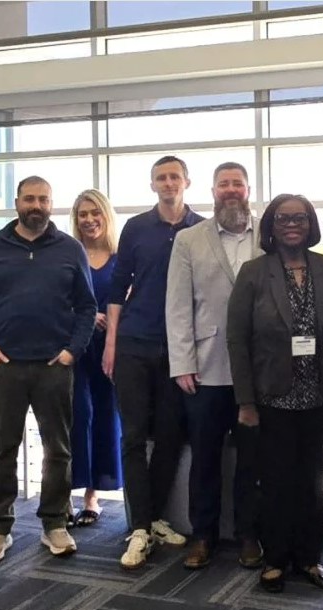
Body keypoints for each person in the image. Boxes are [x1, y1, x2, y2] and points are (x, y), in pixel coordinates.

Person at [0, 176, 98, 563]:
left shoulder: (70, 249)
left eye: (43, 199)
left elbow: (87, 306)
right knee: (3, 449)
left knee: (59, 449)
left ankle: (54, 523)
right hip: (5, 367)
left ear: (51, 204)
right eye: (29, 199)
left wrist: (73, 351)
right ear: (17, 202)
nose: (36, 205)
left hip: (55, 366)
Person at [228, 194, 323, 593]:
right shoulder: (253, 272)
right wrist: (246, 401)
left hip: (318, 394)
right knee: (276, 481)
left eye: (300, 218)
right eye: (283, 218)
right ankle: (276, 559)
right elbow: (237, 340)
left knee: (312, 481)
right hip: (271, 397)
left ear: (311, 224)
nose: (292, 224)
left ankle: (310, 559)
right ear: (271, 227)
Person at [105, 155, 200, 569]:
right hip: (134, 343)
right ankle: (139, 526)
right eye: (161, 177)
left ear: (186, 182)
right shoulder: (135, 228)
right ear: (152, 185)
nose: (168, 183)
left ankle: (155, 517)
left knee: (169, 437)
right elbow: (116, 286)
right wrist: (110, 343)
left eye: (174, 176)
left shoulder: (202, 229)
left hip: (179, 349)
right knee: (132, 436)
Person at [166, 161, 261, 571]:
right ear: (213, 191)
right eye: (224, 184)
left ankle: (248, 535)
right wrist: (182, 362)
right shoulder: (189, 239)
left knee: (252, 461)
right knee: (204, 458)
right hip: (205, 370)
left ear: (248, 189)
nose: (231, 190)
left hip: (259, 371)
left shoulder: (269, 235)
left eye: (237, 184)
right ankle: (202, 535)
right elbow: (177, 305)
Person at [68, 189, 123, 528]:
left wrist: (110, 320)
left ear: (106, 215)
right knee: (77, 417)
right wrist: (86, 316)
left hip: (111, 351)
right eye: (82, 214)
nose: (88, 220)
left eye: (94, 213)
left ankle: (92, 496)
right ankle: (65, 493)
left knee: (107, 418)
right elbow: (58, 299)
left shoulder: (121, 258)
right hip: (76, 349)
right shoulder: (69, 255)